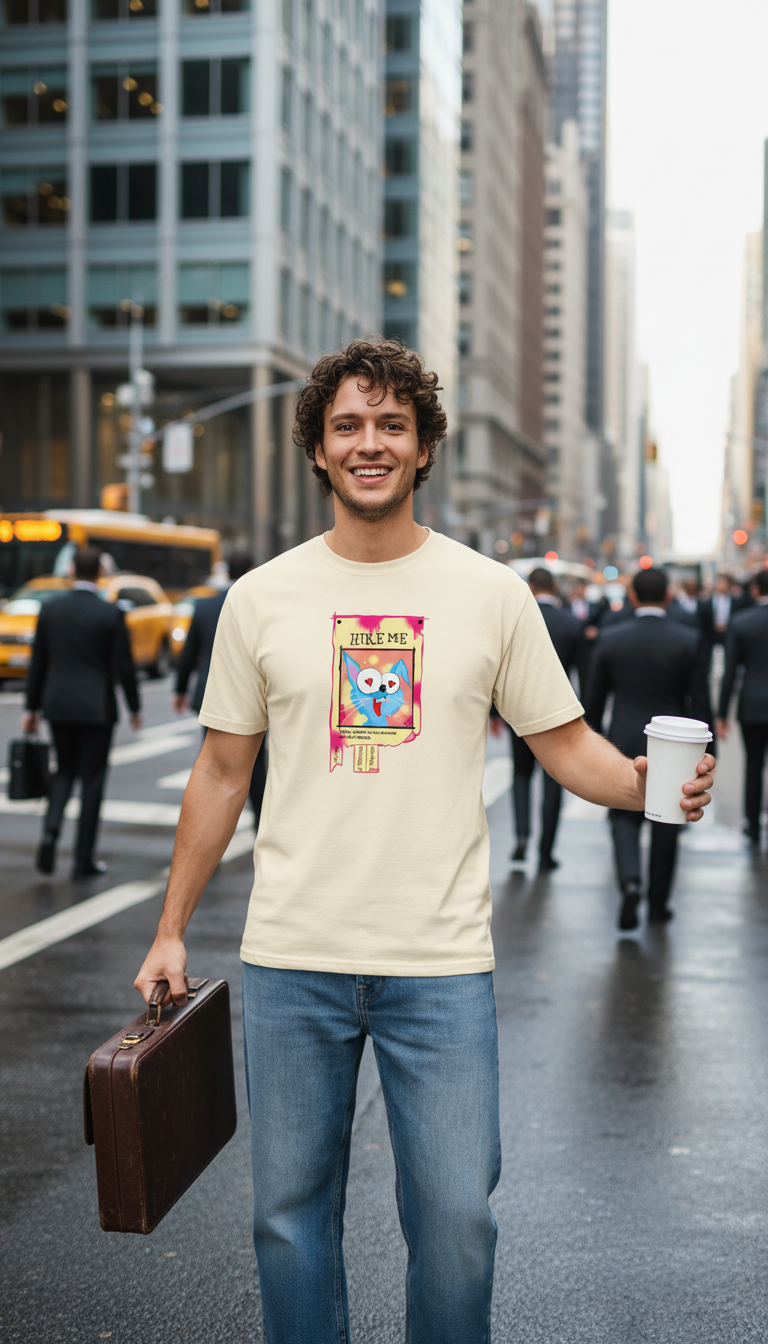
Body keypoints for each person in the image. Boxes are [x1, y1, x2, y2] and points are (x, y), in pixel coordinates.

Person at [134, 339, 714, 1343]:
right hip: (292, 959)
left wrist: (646, 785)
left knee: (457, 1223)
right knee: (288, 1221)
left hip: (440, 967)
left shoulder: (490, 595)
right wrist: (171, 930)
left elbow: (566, 742)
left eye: (392, 425)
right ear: (318, 448)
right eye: (349, 425)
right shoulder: (260, 599)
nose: (371, 443)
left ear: (424, 445)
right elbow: (223, 773)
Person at [585, 566, 713, 931]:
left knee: (623, 815)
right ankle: (658, 903)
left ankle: (630, 881)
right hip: (675, 742)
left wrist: (592, 741)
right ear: (668, 597)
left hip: (623, 736)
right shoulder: (687, 639)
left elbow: (593, 702)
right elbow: (700, 702)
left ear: (634, 597)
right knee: (670, 818)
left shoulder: (610, 638)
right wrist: (705, 751)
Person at [22, 546, 141, 879]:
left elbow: (39, 663)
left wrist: (31, 707)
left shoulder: (50, 610)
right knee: (92, 780)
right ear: (100, 574)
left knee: (63, 772)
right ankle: (82, 859)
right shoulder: (110, 613)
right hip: (97, 707)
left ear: (72, 570)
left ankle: (50, 832)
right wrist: (134, 707)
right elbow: (125, 666)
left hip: (57, 704)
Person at [491, 567, 583, 872]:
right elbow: (585, 674)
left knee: (521, 775)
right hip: (558, 713)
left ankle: (520, 836)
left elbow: (496, 666)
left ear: (529, 587)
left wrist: (493, 713)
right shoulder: (571, 624)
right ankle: (546, 850)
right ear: (554, 587)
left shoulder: (517, 622)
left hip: (517, 710)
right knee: (554, 778)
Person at [173, 552, 266, 829]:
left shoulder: (204, 606)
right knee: (257, 766)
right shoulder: (259, 605)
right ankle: (260, 824)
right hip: (253, 696)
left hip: (211, 696)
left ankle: (212, 828)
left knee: (215, 765)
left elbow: (188, 654)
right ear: (250, 570)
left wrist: (180, 690)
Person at [717, 567, 768, 845]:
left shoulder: (741, 622)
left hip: (752, 704)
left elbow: (729, 671)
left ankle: (752, 824)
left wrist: (722, 713)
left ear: (756, 590)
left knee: (753, 765)